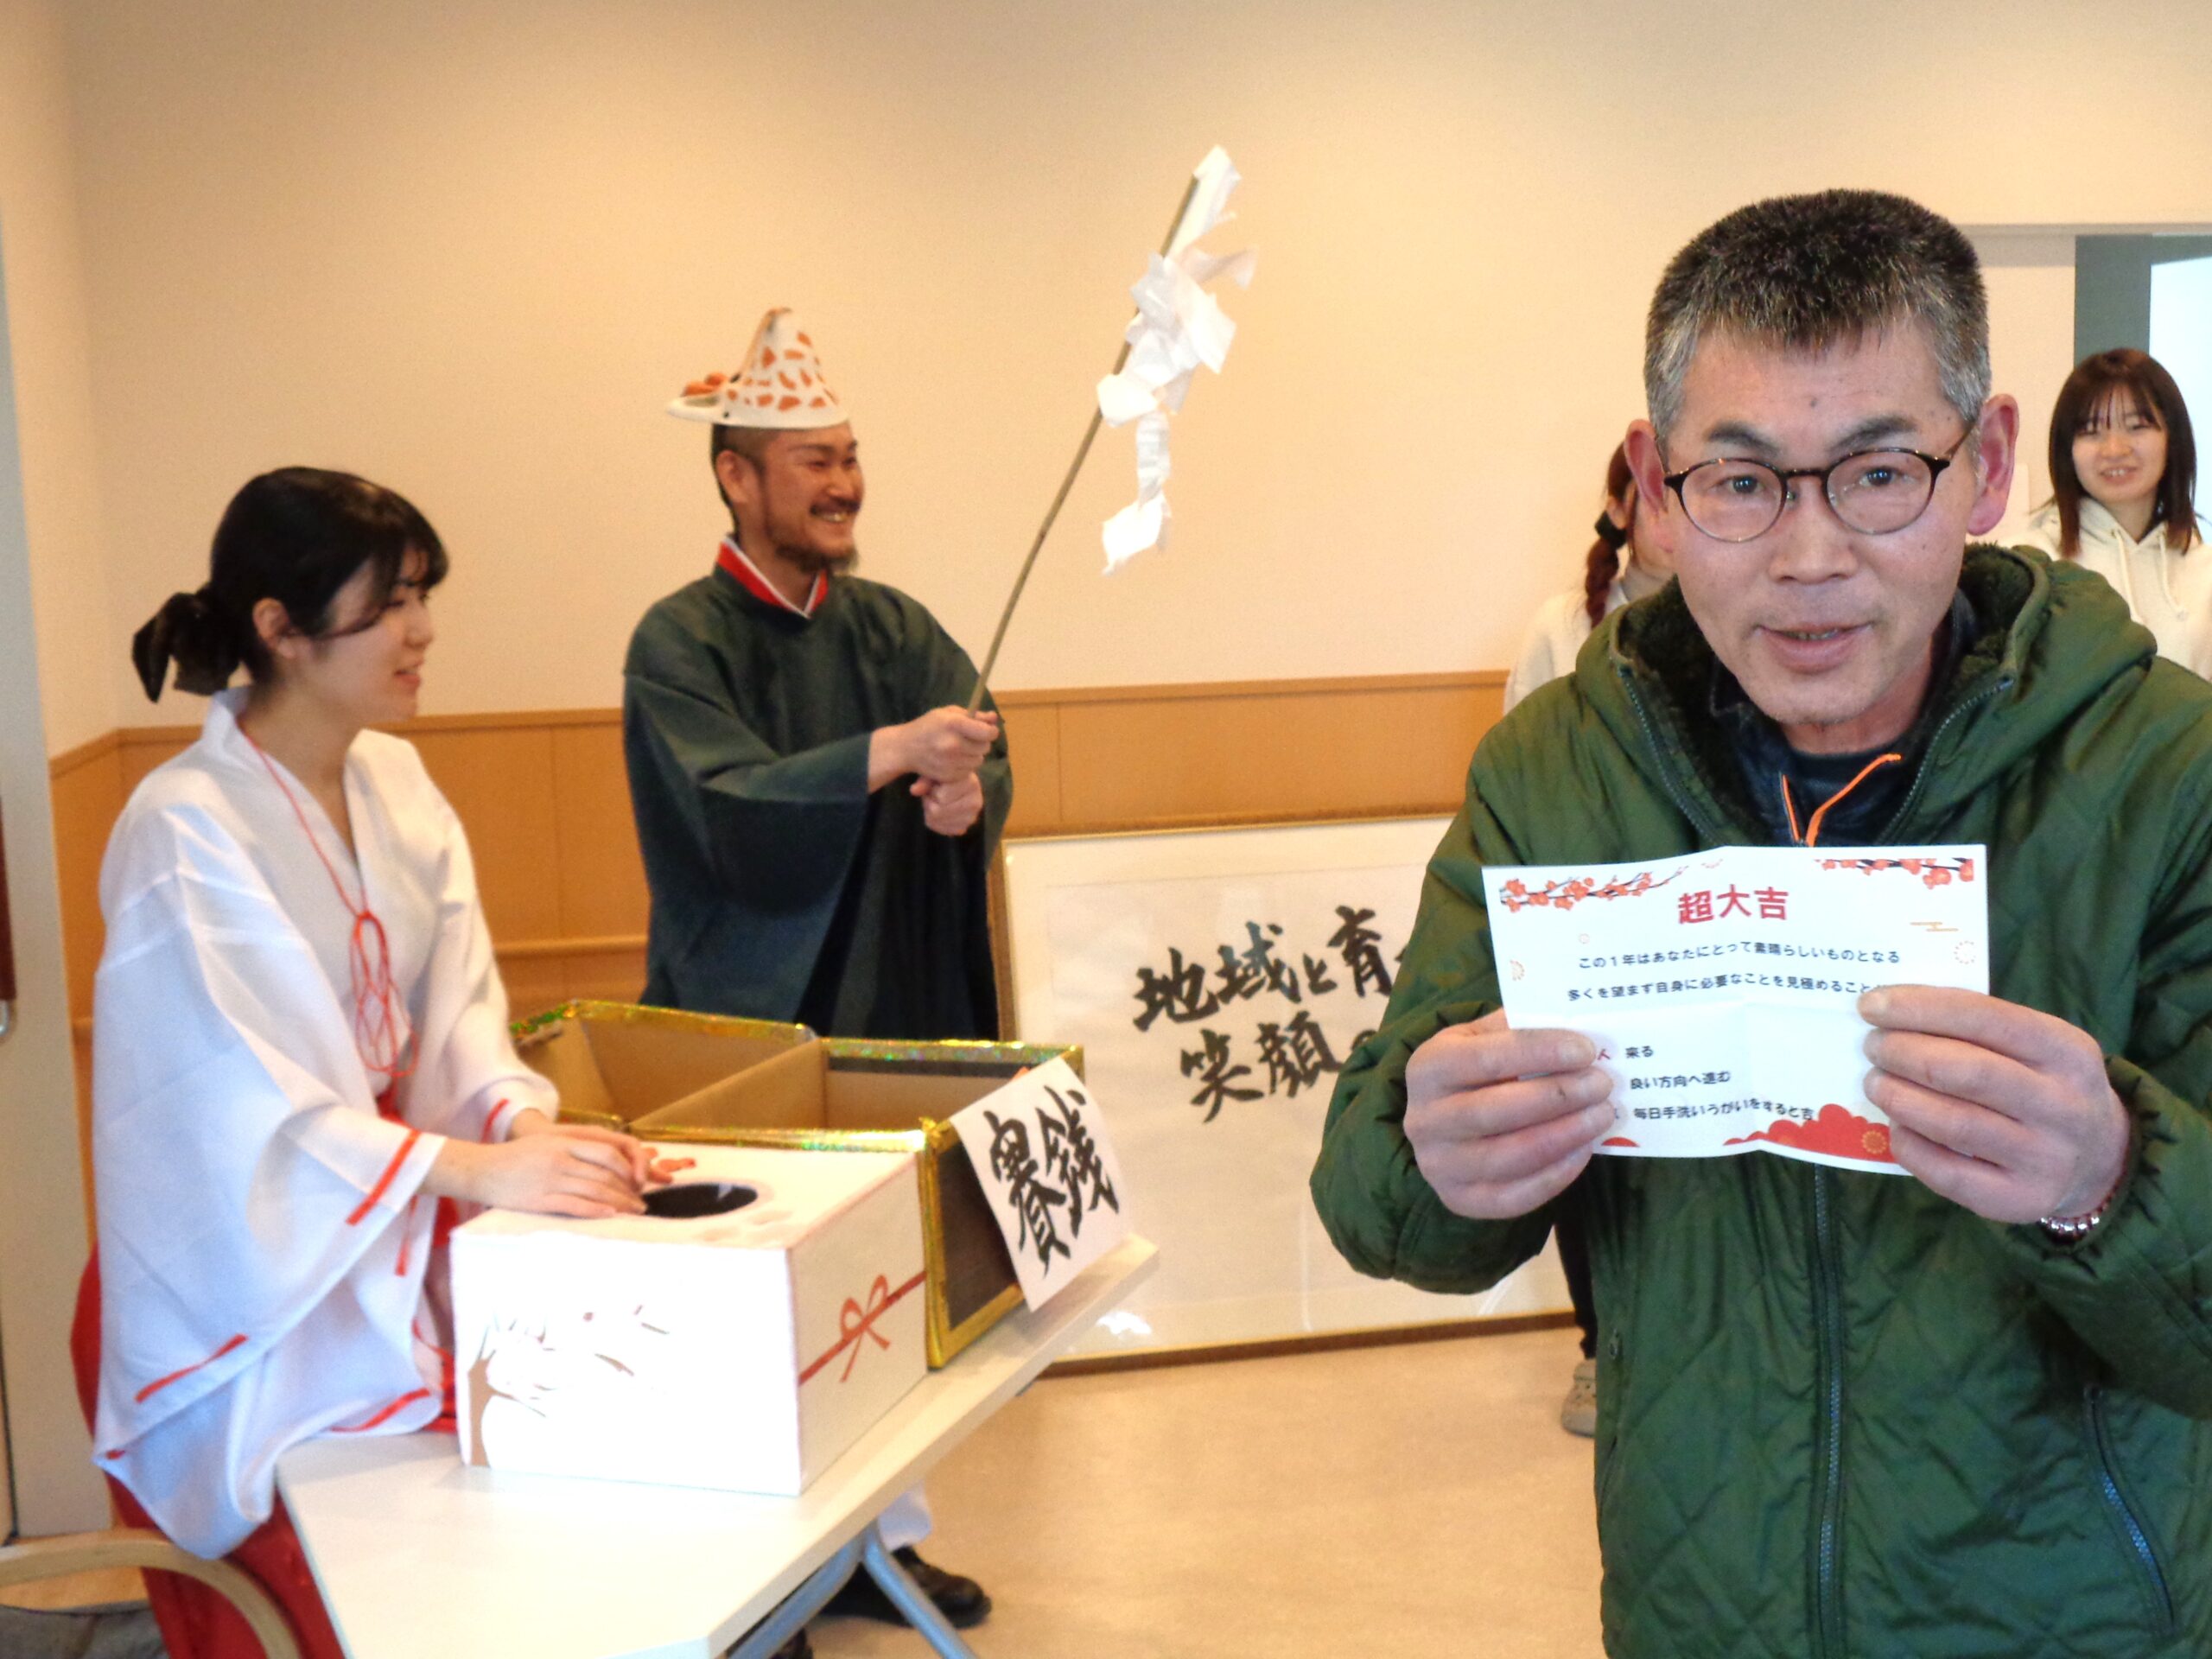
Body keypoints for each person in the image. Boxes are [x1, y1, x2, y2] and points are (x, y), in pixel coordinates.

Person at [1313, 191, 2212, 1657]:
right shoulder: (1555, 772)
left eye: (1879, 474)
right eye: (1740, 482)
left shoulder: (2168, 771)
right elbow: (1378, 1208)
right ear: (1655, 489)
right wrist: (1435, 1160)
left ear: (1988, 467)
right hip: (1699, 1606)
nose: (1808, 557)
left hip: (2077, 1613)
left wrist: (2109, 1177)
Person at [77, 468, 664, 1659]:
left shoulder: (396, 780)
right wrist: (477, 1169)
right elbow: (240, 1107)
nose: (422, 630)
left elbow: (460, 1012)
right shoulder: (182, 824)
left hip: (385, 1220)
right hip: (251, 1275)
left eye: (422, 595)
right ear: (280, 629)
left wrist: (524, 1132)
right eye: (390, 602)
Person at [624, 309, 1003, 1644]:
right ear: (738, 476)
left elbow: (979, 739)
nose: (844, 485)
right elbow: (724, 806)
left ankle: (879, 1547)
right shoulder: (680, 641)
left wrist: (963, 793)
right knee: (762, 1299)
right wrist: (888, 753)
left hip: (888, 997)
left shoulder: (894, 625)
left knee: (888, 1289)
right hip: (747, 1014)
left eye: (849, 458)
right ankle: (760, 1576)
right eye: (814, 463)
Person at [1502, 443, 1677, 1434]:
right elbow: (1518, 771)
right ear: (1620, 507)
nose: (1672, 516)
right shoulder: (1562, 625)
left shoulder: (1739, 616)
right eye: (1652, 496)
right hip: (1591, 923)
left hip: (1694, 921)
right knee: (1590, 1136)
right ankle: (1598, 1350)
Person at [2015, 347, 2210, 676]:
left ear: (2172, 438)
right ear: (2067, 449)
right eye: (2091, 432)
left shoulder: (2204, 570)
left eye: (2136, 427)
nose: (2115, 449)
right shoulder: (2030, 564)